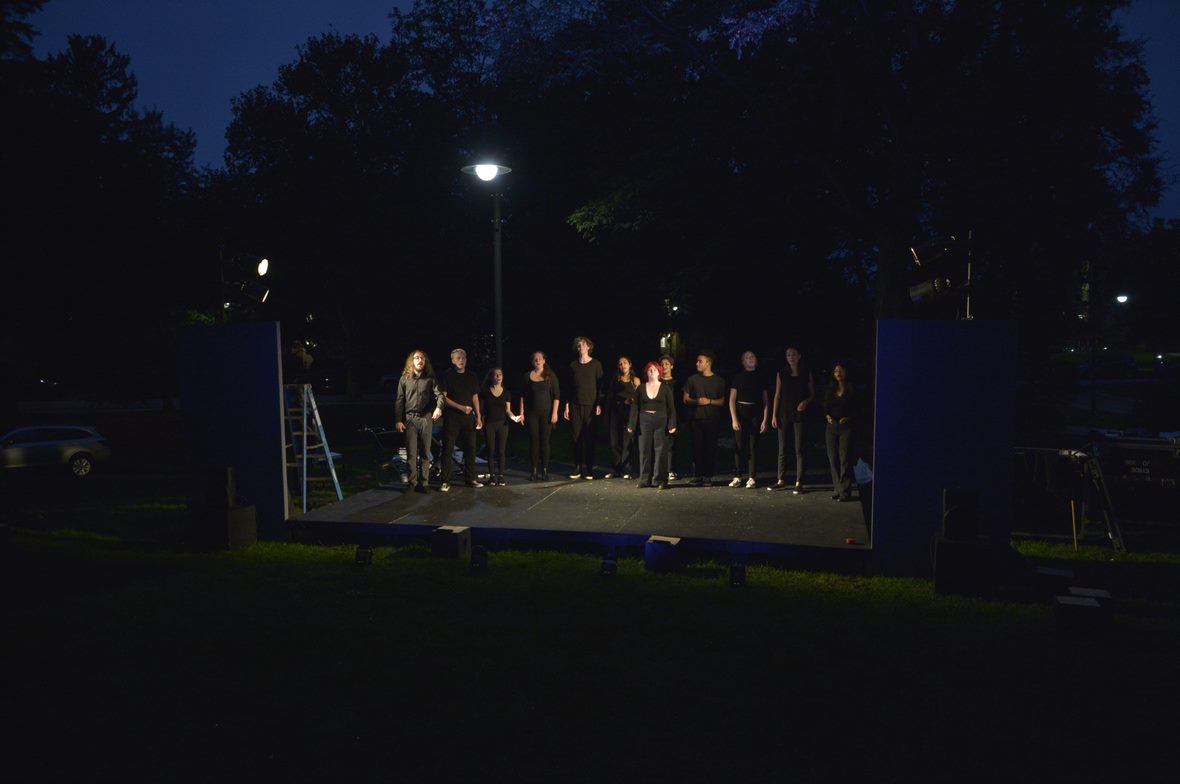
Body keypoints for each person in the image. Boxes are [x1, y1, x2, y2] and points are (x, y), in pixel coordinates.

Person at [394, 349, 444, 493]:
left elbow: (440, 395)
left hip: (426, 418)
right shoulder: (404, 378)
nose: (420, 360)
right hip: (410, 419)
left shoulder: (430, 378)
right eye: (417, 358)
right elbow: (399, 400)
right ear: (412, 361)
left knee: (425, 453)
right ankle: (412, 483)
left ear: (425, 361)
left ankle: (424, 483)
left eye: (422, 358)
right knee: (411, 453)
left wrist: (438, 408)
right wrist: (398, 420)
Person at [771, 346, 816, 494]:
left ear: (799, 356)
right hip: (784, 414)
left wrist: (806, 402)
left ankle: (799, 481)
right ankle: (780, 480)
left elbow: (812, 393)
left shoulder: (806, 373)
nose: (791, 357)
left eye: (793, 355)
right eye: (788, 355)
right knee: (782, 448)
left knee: (799, 448)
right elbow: (777, 395)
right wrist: (774, 415)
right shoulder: (781, 374)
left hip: (800, 415)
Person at [628, 361, 677, 489]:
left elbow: (671, 408)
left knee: (661, 450)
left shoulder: (665, 388)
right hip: (644, 421)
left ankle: (660, 480)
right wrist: (632, 424)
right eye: (649, 370)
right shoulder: (641, 388)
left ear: (659, 372)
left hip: (661, 421)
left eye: (654, 370)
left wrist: (672, 423)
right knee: (644, 450)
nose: (652, 372)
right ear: (646, 373)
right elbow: (635, 407)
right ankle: (644, 479)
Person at [439, 348, 482, 492]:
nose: (461, 360)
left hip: (468, 419)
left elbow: (475, 397)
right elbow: (443, 397)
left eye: (463, 357)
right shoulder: (447, 375)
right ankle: (445, 481)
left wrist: (479, 416)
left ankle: (470, 478)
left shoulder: (472, 376)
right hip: (452, 419)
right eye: (458, 358)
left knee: (471, 448)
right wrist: (461, 408)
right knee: (448, 449)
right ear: (452, 361)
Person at [682, 350, 727, 486]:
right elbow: (685, 399)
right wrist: (697, 402)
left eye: (700, 361)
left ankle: (708, 477)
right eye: (697, 361)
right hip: (696, 420)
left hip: (712, 420)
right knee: (697, 449)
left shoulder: (719, 380)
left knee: (710, 449)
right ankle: (697, 476)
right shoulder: (692, 379)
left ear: (708, 363)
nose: (697, 363)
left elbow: (723, 401)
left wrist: (709, 401)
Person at [564, 336, 604, 479]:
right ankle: (577, 467)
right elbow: (569, 387)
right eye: (578, 346)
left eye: (583, 345)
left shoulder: (596, 364)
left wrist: (599, 403)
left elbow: (600, 386)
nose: (580, 347)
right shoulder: (573, 365)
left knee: (589, 438)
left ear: (588, 347)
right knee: (576, 437)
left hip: (590, 405)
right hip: (575, 405)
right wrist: (567, 405)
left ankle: (589, 468)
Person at [728, 350, 769, 488]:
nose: (750, 358)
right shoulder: (738, 377)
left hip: (756, 412)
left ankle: (752, 477)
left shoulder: (761, 377)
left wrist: (765, 419)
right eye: (747, 357)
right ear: (743, 362)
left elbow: (766, 400)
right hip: (741, 411)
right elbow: (732, 399)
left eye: (752, 356)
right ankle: (738, 476)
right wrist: (734, 418)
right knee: (739, 445)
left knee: (753, 445)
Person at [519, 350, 560, 480]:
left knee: (545, 442)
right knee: (533, 442)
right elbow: (522, 396)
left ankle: (545, 470)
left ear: (544, 360)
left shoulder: (550, 375)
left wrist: (555, 413)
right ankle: (534, 471)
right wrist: (521, 413)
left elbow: (556, 396)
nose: (537, 361)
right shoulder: (527, 376)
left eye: (540, 358)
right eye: (535, 359)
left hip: (547, 413)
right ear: (532, 362)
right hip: (532, 414)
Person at [480, 367, 520, 487]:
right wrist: (480, 422)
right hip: (489, 424)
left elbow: (508, 410)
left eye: (500, 374)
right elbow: (482, 410)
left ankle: (501, 476)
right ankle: (492, 476)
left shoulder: (507, 393)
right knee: (491, 451)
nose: (498, 376)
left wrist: (514, 417)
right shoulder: (485, 392)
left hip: (502, 424)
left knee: (501, 451)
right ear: (491, 378)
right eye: (496, 375)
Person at [824, 362, 856, 502]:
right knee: (833, 459)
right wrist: (827, 416)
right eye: (836, 370)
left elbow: (857, 408)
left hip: (846, 427)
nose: (838, 373)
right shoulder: (831, 389)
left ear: (845, 372)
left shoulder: (851, 388)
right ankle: (837, 489)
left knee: (844, 459)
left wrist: (848, 417)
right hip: (831, 427)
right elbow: (825, 406)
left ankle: (845, 491)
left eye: (841, 370)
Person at [604, 356, 641, 479]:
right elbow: (609, 397)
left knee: (627, 442)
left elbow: (639, 397)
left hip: (629, 413)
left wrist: (631, 400)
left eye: (625, 362)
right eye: (620, 363)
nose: (622, 365)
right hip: (616, 412)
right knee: (614, 441)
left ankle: (626, 469)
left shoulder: (635, 380)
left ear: (630, 364)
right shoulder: (615, 379)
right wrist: (607, 414)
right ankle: (615, 469)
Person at [659, 355, 681, 480]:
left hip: (673, 417)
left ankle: (671, 469)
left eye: (667, 364)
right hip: (660, 416)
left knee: (672, 444)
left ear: (672, 366)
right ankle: (660, 470)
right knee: (660, 444)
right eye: (662, 364)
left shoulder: (676, 383)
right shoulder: (657, 382)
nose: (664, 366)